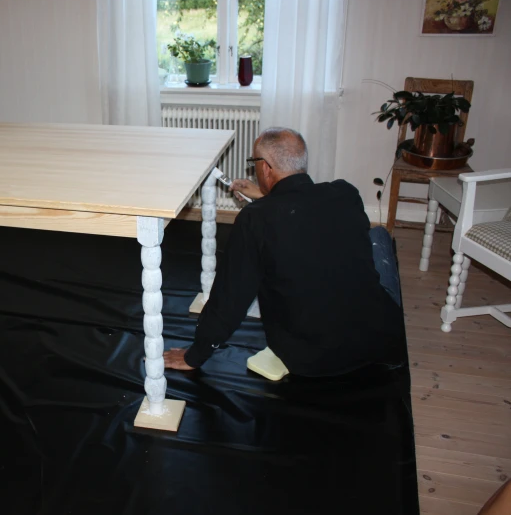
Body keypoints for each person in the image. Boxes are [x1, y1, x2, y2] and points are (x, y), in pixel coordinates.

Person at [163, 127, 405, 376]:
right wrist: (264, 197)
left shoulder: (254, 220)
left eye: (254, 163)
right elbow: (304, 216)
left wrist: (195, 355)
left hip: (309, 357)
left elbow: (230, 298)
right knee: (376, 236)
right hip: (375, 342)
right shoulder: (346, 193)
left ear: (266, 167)